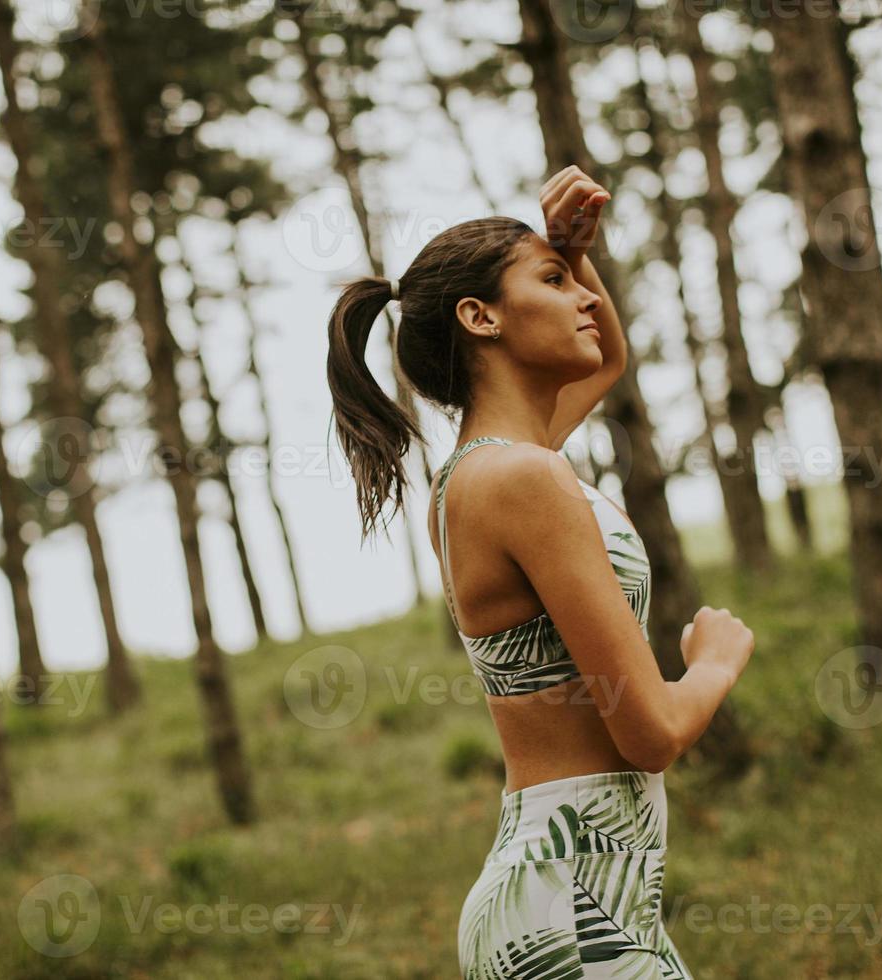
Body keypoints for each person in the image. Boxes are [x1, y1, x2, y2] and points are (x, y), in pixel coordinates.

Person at [326, 165, 754, 977]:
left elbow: (609, 356)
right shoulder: (522, 480)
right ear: (480, 316)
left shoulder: (490, 472)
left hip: (575, 891)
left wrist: (573, 250)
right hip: (573, 905)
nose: (587, 298)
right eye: (554, 282)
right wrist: (713, 668)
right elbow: (652, 733)